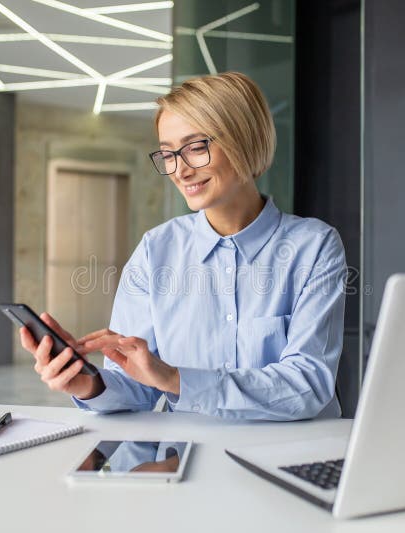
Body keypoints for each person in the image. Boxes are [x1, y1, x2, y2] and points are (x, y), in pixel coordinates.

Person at [20, 72, 347, 420]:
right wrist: (86, 383)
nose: (180, 171)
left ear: (244, 140)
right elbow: (137, 385)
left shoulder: (313, 248)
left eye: (195, 147)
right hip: (186, 459)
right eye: (168, 154)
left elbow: (307, 386)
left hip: (288, 459)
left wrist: (176, 379)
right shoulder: (154, 252)